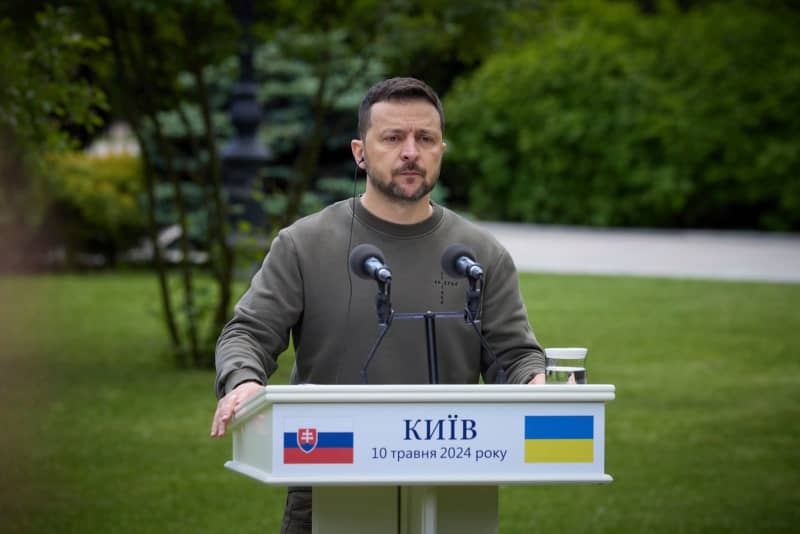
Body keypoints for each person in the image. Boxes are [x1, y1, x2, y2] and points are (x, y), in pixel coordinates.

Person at [210, 77, 546, 534]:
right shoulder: (303, 244)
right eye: (393, 138)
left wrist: (535, 382)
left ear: (441, 149)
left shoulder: (480, 255)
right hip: (327, 480)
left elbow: (514, 354)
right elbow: (247, 334)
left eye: (425, 138)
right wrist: (244, 382)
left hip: (453, 488)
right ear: (359, 152)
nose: (411, 151)